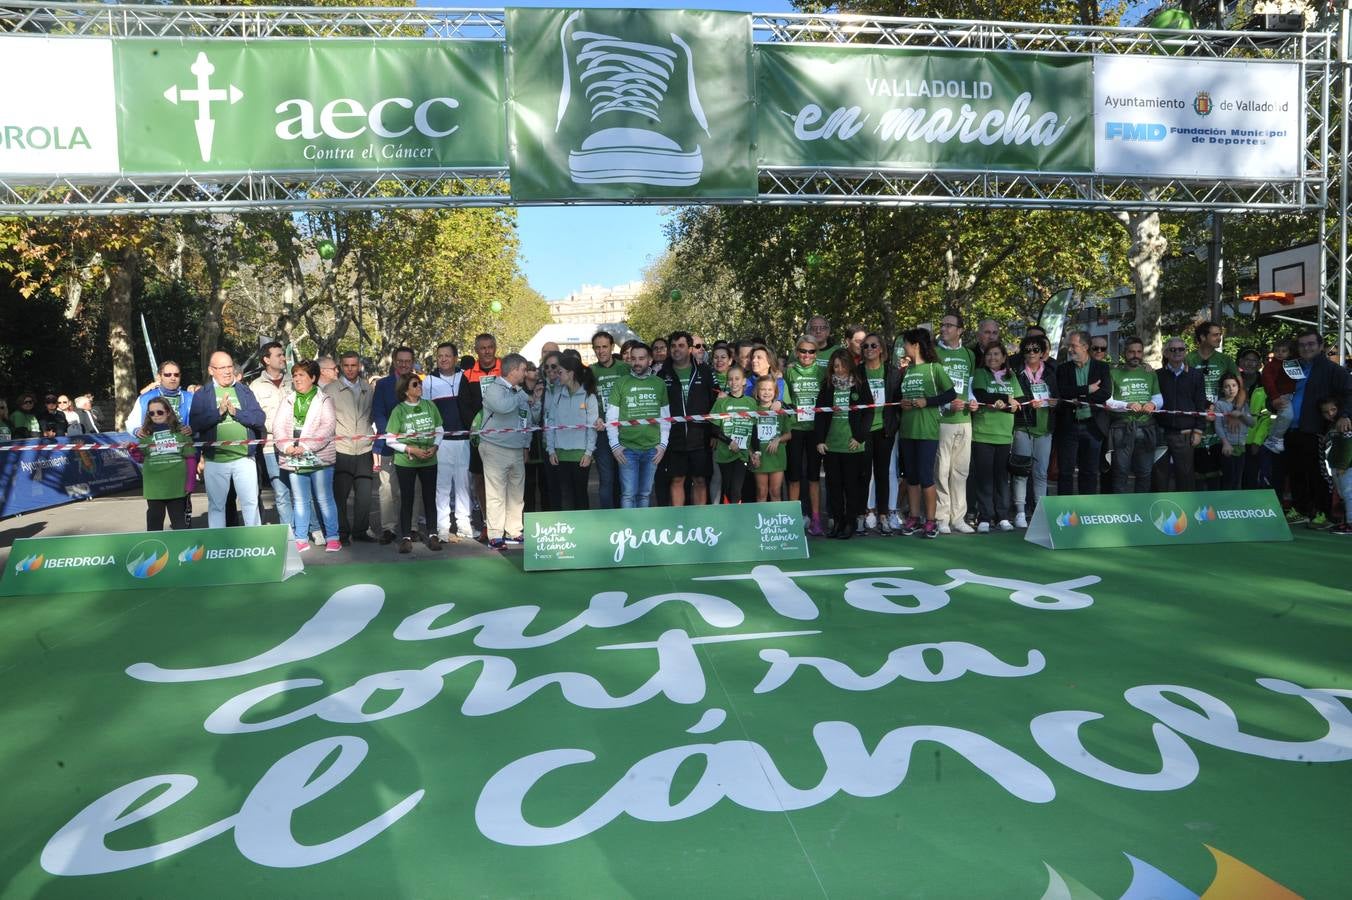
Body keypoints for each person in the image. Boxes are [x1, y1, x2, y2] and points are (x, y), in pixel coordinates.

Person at [1280, 328, 1352, 527]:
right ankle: (1301, 509)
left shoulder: (1334, 370)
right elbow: (1278, 393)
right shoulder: (1291, 368)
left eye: (1311, 344)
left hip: (1317, 429)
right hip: (1291, 429)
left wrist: (1343, 416)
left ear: (1321, 346)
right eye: (1302, 345)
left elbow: (1349, 394)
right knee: (1296, 472)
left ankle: (1326, 513)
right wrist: (1274, 403)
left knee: (1319, 474)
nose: (1306, 348)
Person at [190, 352, 266, 528]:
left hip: (244, 458)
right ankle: (219, 544)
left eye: (229, 366)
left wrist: (236, 413)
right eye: (221, 368)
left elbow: (259, 417)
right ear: (211, 370)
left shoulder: (244, 390)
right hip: (216, 460)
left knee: (250, 503)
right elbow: (195, 423)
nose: (227, 371)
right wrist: (218, 412)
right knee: (217, 506)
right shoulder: (202, 394)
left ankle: (254, 542)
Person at [896, 328, 958, 539]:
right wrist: (903, 404)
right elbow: (902, 398)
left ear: (916, 345)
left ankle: (931, 520)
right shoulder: (907, 370)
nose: (903, 348)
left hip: (927, 430)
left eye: (906, 343)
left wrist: (927, 402)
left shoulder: (934, 368)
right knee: (911, 476)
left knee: (925, 476)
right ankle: (914, 517)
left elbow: (951, 394)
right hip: (907, 430)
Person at [274, 360, 340, 553]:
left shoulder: (325, 400)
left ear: (313, 378)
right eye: (295, 375)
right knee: (300, 500)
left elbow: (327, 427)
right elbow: (278, 427)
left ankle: (333, 537)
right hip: (293, 457)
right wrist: (286, 446)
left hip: (319, 459)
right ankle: (301, 538)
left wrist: (304, 445)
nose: (297, 379)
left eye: (302, 375)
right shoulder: (287, 400)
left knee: (324, 498)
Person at [127, 361, 197, 523]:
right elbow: (130, 423)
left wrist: (193, 428)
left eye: (176, 374)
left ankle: (183, 541)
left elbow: (201, 421)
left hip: (181, 466)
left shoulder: (190, 397)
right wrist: (138, 433)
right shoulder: (145, 398)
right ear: (159, 377)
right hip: (156, 472)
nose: (172, 378)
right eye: (168, 374)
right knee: (155, 517)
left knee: (182, 513)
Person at [480, 354, 538, 548]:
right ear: (513, 370)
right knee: (496, 492)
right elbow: (503, 407)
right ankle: (495, 535)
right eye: (523, 369)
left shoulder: (518, 391)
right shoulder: (494, 389)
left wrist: (526, 445)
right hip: (495, 447)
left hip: (516, 448)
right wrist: (522, 396)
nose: (525, 373)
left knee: (516, 493)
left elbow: (527, 420)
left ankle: (514, 531)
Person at [814, 349, 871, 540]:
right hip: (832, 445)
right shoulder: (828, 385)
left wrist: (860, 437)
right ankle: (837, 522)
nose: (839, 370)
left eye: (842, 365)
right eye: (835, 366)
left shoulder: (860, 384)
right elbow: (820, 413)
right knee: (833, 485)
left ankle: (850, 522)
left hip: (853, 445)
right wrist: (820, 440)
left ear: (850, 365)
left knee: (851, 486)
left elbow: (868, 412)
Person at [606, 343, 670, 509]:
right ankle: (629, 532)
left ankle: (642, 531)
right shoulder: (621, 383)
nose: (636, 362)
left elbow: (665, 418)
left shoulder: (659, 383)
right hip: (627, 449)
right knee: (628, 494)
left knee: (645, 493)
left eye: (641, 358)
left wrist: (663, 445)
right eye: (633, 358)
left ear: (650, 360)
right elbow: (611, 417)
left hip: (652, 450)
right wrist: (614, 445)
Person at [971, 342, 1026, 532]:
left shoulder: (1012, 377)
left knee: (1002, 479)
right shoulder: (980, 374)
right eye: (988, 354)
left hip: (1004, 436)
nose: (992, 358)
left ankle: (1002, 516)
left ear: (1004, 357)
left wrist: (1009, 404)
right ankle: (985, 517)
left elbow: (1020, 402)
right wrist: (1002, 398)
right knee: (984, 478)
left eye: (996, 354)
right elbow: (980, 395)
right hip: (982, 434)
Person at [385, 372, 443, 553]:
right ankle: (405, 537)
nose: (419, 387)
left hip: (429, 460)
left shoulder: (429, 405)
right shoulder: (398, 410)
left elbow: (439, 430)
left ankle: (433, 534)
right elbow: (390, 439)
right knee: (407, 499)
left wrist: (434, 447)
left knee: (429, 498)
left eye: (419, 384)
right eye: (415, 385)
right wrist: (410, 449)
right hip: (406, 462)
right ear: (405, 390)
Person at [423, 341, 475, 542]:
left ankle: (464, 524)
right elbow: (428, 411)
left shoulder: (465, 377)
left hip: (464, 439)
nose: (443, 359)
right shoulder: (428, 381)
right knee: (442, 486)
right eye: (440, 356)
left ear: (455, 358)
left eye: (447, 355)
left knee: (463, 484)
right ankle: (442, 527)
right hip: (441, 441)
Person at [658, 331, 717, 507]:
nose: (677, 349)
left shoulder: (705, 371)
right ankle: (679, 520)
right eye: (673, 346)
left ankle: (699, 520)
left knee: (699, 479)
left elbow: (716, 403)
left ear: (690, 349)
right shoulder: (662, 375)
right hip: (673, 437)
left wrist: (715, 432)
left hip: (700, 436)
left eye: (681, 345)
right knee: (677, 479)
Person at [326, 351, 376, 543]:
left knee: (364, 495)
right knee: (341, 495)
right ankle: (342, 532)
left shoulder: (368, 388)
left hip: (364, 448)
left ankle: (361, 531)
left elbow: (371, 415)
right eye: (346, 365)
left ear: (359, 366)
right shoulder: (330, 390)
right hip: (341, 448)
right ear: (340, 367)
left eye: (353, 365)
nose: (350, 369)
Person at [1054, 331, 1112, 496]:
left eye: (1073, 345)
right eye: (1069, 346)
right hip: (1069, 426)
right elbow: (1063, 392)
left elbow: (1105, 393)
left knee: (1090, 472)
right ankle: (1064, 509)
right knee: (1065, 472)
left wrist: (1078, 395)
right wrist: (1087, 389)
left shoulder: (1102, 367)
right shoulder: (1063, 369)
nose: (1070, 349)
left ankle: (1087, 511)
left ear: (1085, 347)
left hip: (1093, 426)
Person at [372, 346, 419, 544]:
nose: (404, 364)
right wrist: (393, 436)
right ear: (394, 361)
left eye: (408, 361)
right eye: (400, 360)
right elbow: (378, 413)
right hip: (388, 446)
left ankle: (413, 527)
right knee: (387, 490)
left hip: (413, 446)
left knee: (414, 489)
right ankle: (388, 528)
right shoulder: (383, 385)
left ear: (413, 362)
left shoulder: (418, 382)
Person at [934, 312, 976, 533]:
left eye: (949, 325)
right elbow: (930, 388)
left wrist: (973, 402)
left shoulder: (969, 354)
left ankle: (958, 518)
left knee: (961, 471)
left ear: (960, 330)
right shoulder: (934, 352)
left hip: (965, 419)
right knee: (941, 470)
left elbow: (969, 385)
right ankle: (941, 517)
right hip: (942, 419)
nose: (944, 328)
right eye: (943, 325)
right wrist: (946, 405)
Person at [1105, 337, 1162, 495]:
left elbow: (1158, 397)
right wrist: (1127, 405)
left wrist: (1154, 404)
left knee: (1145, 473)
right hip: (1121, 429)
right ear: (1125, 353)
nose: (1135, 355)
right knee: (1120, 473)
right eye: (1131, 352)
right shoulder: (1113, 373)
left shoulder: (1150, 373)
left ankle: (1141, 511)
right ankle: (1120, 511)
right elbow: (1107, 401)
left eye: (1138, 352)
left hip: (1146, 428)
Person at [1186, 321, 1239, 491]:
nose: (1220, 337)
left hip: (1221, 420)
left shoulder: (1225, 359)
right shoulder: (1189, 359)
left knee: (1221, 469)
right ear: (1203, 337)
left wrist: (1236, 410)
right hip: (1197, 421)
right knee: (1197, 470)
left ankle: (1221, 509)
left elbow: (1240, 387)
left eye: (1220, 334)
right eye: (1215, 334)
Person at [1011, 335, 1057, 527]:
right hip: (1024, 427)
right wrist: (1029, 404)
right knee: (1021, 472)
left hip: (1045, 429)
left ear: (1043, 353)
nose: (1031, 353)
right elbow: (1014, 398)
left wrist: (1055, 402)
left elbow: (1059, 398)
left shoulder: (1051, 374)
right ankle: (1020, 512)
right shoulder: (1017, 373)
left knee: (1041, 472)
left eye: (1035, 350)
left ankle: (1040, 511)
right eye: (1027, 350)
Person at [1153, 337, 1209, 492]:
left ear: (1186, 352)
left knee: (1185, 476)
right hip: (1161, 433)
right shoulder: (1157, 375)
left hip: (1184, 434)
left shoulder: (1196, 375)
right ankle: (1158, 511)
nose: (1177, 352)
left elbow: (1200, 404)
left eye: (1181, 349)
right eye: (1173, 349)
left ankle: (1186, 511)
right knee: (1159, 476)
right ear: (1166, 353)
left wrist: (1198, 430)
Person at [545, 355, 599, 511]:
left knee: (580, 494)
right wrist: (551, 450)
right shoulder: (557, 395)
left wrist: (589, 453)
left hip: (580, 455)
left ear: (571, 373)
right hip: (560, 454)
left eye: (560, 372)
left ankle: (584, 529)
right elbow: (551, 424)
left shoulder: (589, 396)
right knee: (565, 495)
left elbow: (592, 427)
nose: (556, 375)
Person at [250, 341, 294, 530]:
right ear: (266, 359)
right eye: (278, 355)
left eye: (283, 354)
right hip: (270, 447)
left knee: (301, 492)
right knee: (281, 492)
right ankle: (289, 531)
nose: (283, 358)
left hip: (297, 444)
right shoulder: (255, 386)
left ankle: (306, 529)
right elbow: (255, 418)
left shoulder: (294, 381)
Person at [784, 336, 825, 534]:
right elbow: (785, 399)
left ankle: (816, 518)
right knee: (793, 476)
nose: (807, 355)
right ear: (796, 351)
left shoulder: (822, 372)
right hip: (795, 429)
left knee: (814, 476)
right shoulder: (789, 371)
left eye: (811, 351)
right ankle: (793, 518)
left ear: (816, 353)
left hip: (815, 430)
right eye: (803, 350)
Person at [135, 397, 193, 531]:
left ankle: (182, 550)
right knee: (154, 523)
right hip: (154, 487)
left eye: (159, 412)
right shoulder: (145, 434)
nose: (155, 415)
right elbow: (140, 458)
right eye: (151, 413)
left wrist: (190, 482)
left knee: (179, 524)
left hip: (177, 485)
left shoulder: (182, 432)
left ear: (168, 412)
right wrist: (132, 450)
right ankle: (154, 550)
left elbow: (190, 457)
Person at [859, 333, 896, 533]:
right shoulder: (857, 372)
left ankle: (883, 515)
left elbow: (898, 400)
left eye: (873, 345)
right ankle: (863, 513)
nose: (869, 349)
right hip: (864, 431)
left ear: (881, 349)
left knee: (882, 473)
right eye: (865, 346)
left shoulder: (892, 372)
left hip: (885, 430)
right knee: (863, 474)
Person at [590, 330, 630, 510]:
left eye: (604, 347)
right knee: (606, 479)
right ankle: (608, 519)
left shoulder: (625, 368)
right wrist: (594, 417)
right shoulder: (590, 371)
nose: (601, 351)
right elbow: (586, 400)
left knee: (625, 478)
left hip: (625, 432)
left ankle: (626, 518)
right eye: (597, 348)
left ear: (612, 347)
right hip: (602, 433)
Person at [711, 366, 756, 504]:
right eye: (730, 379)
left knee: (736, 489)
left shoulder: (751, 402)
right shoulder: (721, 402)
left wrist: (755, 452)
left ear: (744, 381)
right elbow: (713, 429)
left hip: (741, 454)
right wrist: (729, 441)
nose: (733, 382)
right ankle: (728, 518)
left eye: (737, 379)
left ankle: (736, 519)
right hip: (724, 453)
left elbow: (754, 430)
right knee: (728, 489)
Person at [749, 375, 790, 503]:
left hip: (776, 457)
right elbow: (748, 435)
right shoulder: (752, 410)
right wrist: (752, 454)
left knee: (775, 491)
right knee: (761, 492)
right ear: (757, 392)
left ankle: (775, 521)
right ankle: (761, 521)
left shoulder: (780, 411)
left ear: (775, 392)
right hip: (759, 457)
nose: (766, 392)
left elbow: (789, 434)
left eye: (770, 390)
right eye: (763, 389)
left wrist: (778, 440)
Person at [1212, 372, 1253, 491]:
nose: (1231, 389)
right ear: (1222, 389)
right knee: (1228, 479)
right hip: (1228, 446)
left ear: (1238, 387)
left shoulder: (1243, 404)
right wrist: (1225, 443)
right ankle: (1226, 505)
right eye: (1227, 386)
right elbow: (1218, 425)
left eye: (1234, 385)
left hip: (1242, 446)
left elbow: (1252, 423)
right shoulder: (1219, 404)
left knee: (1238, 479)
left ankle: (1237, 505)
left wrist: (1241, 415)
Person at [1322, 397, 1352, 534]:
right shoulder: (1332, 425)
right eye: (1326, 412)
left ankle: (1350, 524)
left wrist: (1342, 466)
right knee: (1342, 493)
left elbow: (1348, 447)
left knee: (1348, 493)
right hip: (1336, 465)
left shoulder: (1345, 423)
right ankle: (1346, 522)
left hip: (1346, 466)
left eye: (1333, 409)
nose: (1330, 414)